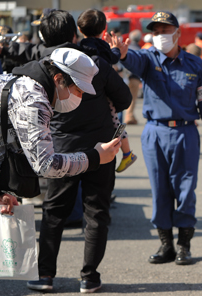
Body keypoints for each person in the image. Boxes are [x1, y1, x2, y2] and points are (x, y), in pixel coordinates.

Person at [0, 47, 121, 296]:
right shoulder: (34, 99)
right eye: (78, 89)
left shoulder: (17, 82)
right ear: (58, 79)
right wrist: (96, 158)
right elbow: (47, 165)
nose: (80, 97)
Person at [0, 10, 132, 293]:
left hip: (60, 149)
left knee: (54, 212)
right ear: (75, 35)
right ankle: (90, 277)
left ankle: (46, 275)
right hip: (101, 148)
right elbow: (125, 98)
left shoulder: (43, 67)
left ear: (44, 36)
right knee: (96, 213)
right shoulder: (97, 64)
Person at [110, 11, 202, 265]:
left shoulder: (195, 64)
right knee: (160, 190)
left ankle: (184, 245)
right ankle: (166, 244)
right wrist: (123, 53)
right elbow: (131, 60)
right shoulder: (148, 59)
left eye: (165, 31)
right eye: (155, 32)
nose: (160, 36)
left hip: (186, 132)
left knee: (186, 189)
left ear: (178, 33)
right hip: (155, 133)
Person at [76, 9, 137, 173]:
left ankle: (128, 153)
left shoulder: (78, 48)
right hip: (105, 91)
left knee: (115, 122)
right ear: (104, 28)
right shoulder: (103, 48)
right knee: (114, 120)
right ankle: (127, 152)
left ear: (79, 29)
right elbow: (114, 57)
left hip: (83, 94)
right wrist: (116, 49)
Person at [124, 29, 143, 125]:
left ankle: (130, 116)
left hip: (124, 76)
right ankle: (129, 116)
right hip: (134, 77)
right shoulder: (140, 49)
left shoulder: (126, 47)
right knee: (132, 98)